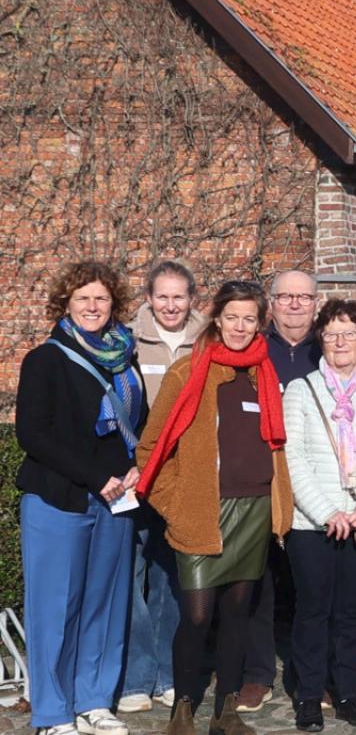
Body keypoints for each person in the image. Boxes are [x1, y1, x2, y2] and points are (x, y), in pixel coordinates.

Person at [136, 279, 292, 735]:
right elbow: (151, 450)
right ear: (216, 319)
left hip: (255, 508)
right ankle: (182, 709)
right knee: (198, 614)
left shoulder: (264, 372)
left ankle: (225, 711)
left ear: (258, 323)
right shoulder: (189, 372)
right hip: (203, 511)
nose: (240, 327)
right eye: (232, 317)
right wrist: (176, 504)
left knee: (237, 614)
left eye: (249, 319)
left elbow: (275, 446)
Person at [17, 261, 145, 735]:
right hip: (59, 499)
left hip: (115, 498)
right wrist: (97, 477)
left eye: (101, 299)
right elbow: (34, 434)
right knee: (55, 609)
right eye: (83, 299)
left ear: (114, 306)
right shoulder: (45, 359)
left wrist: (135, 467)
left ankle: (93, 700)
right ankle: (52, 713)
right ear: (66, 305)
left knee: (104, 605)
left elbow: (137, 426)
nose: (93, 307)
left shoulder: (124, 359)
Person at [281, 300, 356, 731]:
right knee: (312, 609)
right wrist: (326, 511)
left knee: (352, 611)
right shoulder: (300, 390)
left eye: (349, 333)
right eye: (331, 334)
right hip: (312, 523)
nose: (340, 342)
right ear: (321, 341)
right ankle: (310, 695)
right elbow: (291, 457)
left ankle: (349, 691)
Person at [238, 269, 321, 714]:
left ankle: (315, 674)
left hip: (314, 482)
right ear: (271, 303)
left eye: (303, 297)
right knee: (258, 580)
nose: (294, 305)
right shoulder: (253, 350)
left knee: (313, 585)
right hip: (262, 480)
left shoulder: (328, 349)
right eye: (285, 296)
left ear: (315, 303)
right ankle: (257, 674)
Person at [122, 261, 203, 714]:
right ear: (149, 298)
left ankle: (170, 675)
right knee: (132, 577)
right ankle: (137, 676)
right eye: (162, 296)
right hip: (137, 476)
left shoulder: (207, 342)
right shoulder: (127, 343)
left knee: (173, 578)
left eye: (179, 296)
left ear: (192, 298)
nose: (170, 305)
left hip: (183, 478)